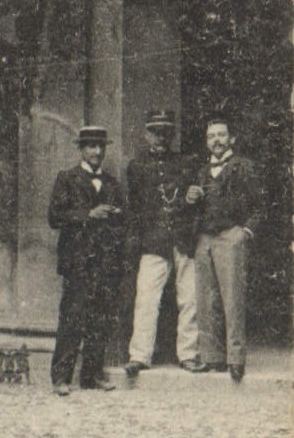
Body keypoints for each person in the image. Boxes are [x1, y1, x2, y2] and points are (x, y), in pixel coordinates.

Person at [48, 126, 126, 395]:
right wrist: (89, 214)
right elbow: (55, 217)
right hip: (77, 262)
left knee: (99, 320)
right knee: (72, 318)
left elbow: (122, 222)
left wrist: (115, 216)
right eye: (91, 146)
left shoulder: (113, 183)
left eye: (100, 146)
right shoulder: (67, 178)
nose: (97, 151)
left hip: (105, 262)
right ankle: (61, 378)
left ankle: (91, 376)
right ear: (81, 149)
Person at [124, 109, 202, 375]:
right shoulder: (136, 167)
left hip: (183, 238)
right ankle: (140, 355)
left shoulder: (187, 163)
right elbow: (135, 209)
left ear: (173, 134)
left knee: (190, 298)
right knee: (146, 298)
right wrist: (137, 242)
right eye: (155, 131)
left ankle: (189, 354)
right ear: (146, 134)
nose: (160, 137)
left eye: (166, 131)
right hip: (153, 241)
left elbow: (196, 197)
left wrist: (194, 196)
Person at [187, 115, 262, 383]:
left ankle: (235, 360)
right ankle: (212, 357)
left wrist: (245, 232)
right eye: (211, 136)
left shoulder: (244, 167)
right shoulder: (201, 169)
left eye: (221, 135)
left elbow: (260, 205)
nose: (216, 140)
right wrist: (191, 198)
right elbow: (197, 204)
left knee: (232, 300)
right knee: (207, 300)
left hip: (230, 236)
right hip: (205, 238)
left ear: (231, 139)